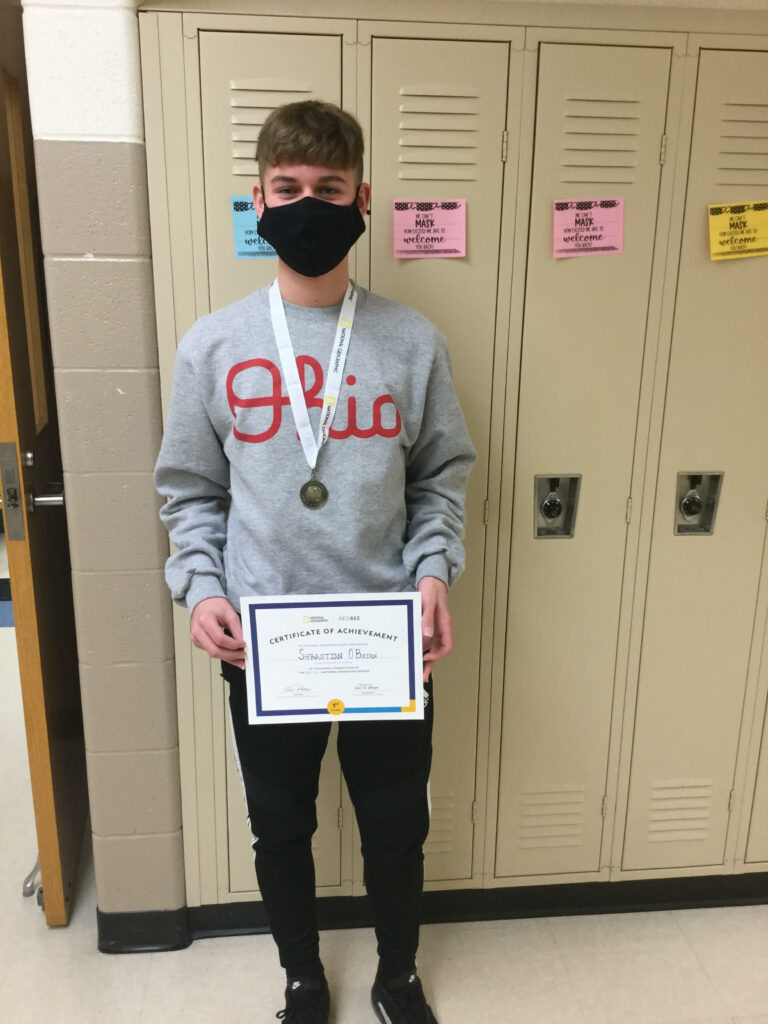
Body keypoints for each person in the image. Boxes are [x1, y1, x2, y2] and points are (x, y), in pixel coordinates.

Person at [154, 99, 475, 1024]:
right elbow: (189, 490)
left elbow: (440, 477)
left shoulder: (409, 341)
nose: (307, 205)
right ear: (258, 201)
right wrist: (202, 590)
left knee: (395, 827)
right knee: (280, 825)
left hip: (385, 634)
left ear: (361, 199)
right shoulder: (214, 344)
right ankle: (301, 974)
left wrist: (432, 573)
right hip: (263, 641)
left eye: (327, 189)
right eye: (288, 189)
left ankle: (398, 974)